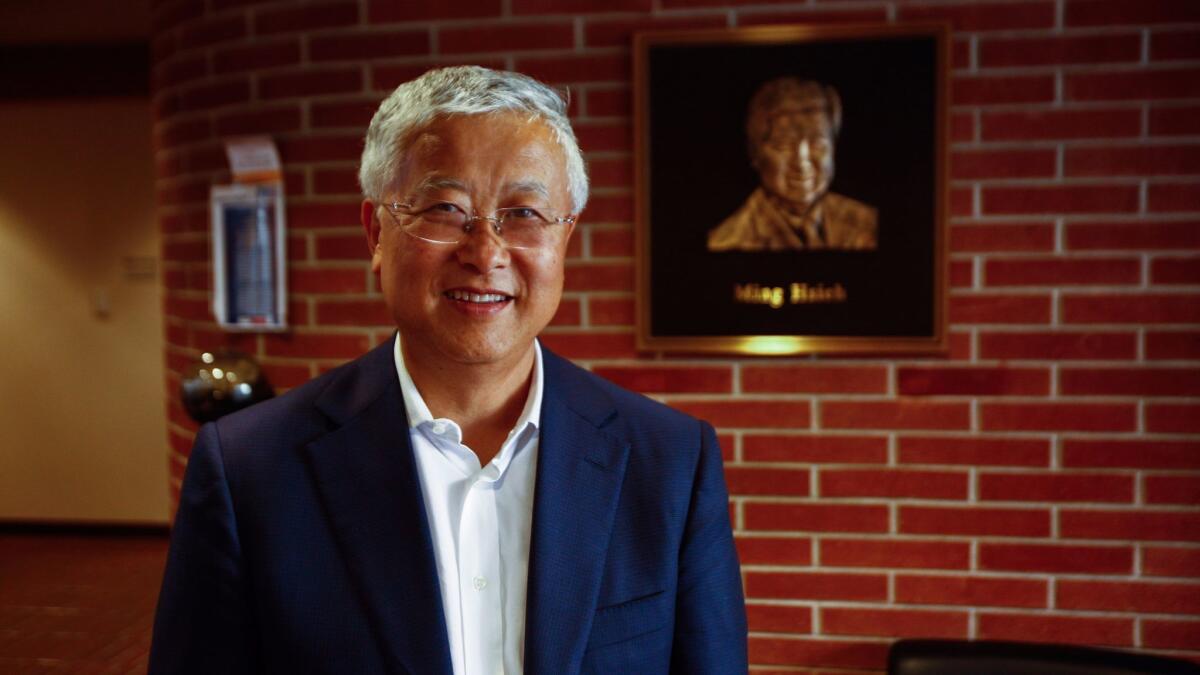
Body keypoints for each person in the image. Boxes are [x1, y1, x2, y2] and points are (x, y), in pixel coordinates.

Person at [149, 66, 747, 674]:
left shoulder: (669, 462)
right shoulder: (248, 470)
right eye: (445, 208)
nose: (485, 253)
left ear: (566, 237)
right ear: (375, 233)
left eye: (524, 214)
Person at [708, 77, 878, 252]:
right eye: (784, 145)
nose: (802, 162)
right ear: (755, 154)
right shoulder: (729, 243)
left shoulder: (868, 224)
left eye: (818, 144)